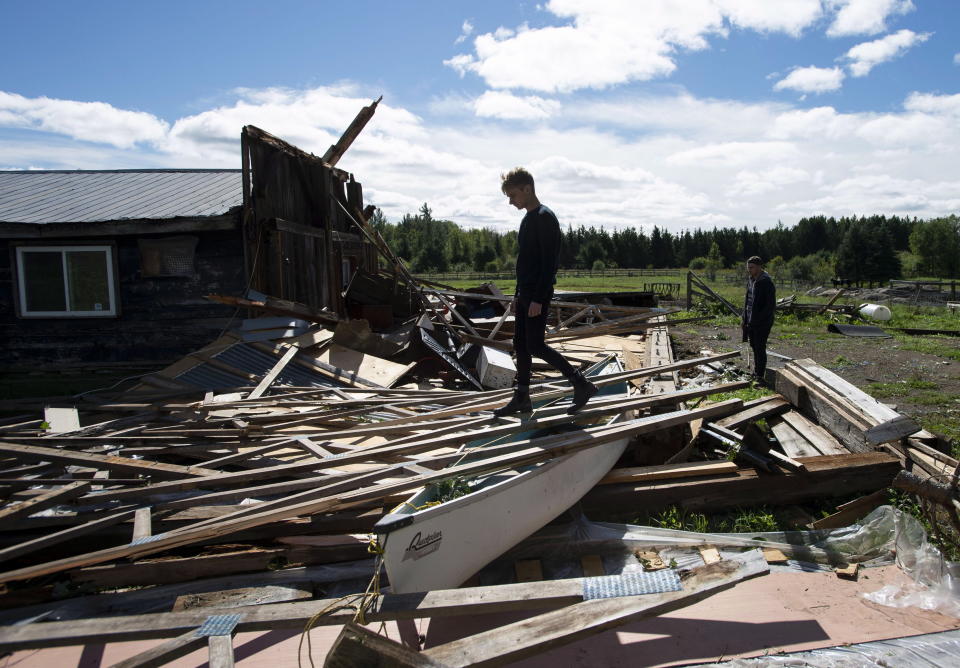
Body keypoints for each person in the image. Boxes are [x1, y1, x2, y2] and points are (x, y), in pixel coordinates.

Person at [493, 167, 597, 417]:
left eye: (513, 195)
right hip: (525, 293)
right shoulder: (528, 218)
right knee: (520, 345)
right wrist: (518, 295)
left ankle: (580, 383)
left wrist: (539, 297)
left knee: (536, 345)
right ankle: (521, 398)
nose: (510, 201)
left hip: (537, 294)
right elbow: (526, 262)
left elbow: (549, 262)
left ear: (527, 189)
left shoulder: (544, 217)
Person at [742, 255, 776, 383]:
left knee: (760, 347)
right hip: (751, 320)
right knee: (754, 346)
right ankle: (756, 371)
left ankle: (760, 375)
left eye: (752, 267)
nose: (749, 270)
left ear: (759, 267)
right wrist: (744, 319)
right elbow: (747, 301)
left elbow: (770, 306)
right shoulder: (751, 280)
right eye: (748, 267)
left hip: (762, 322)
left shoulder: (766, 282)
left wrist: (759, 320)